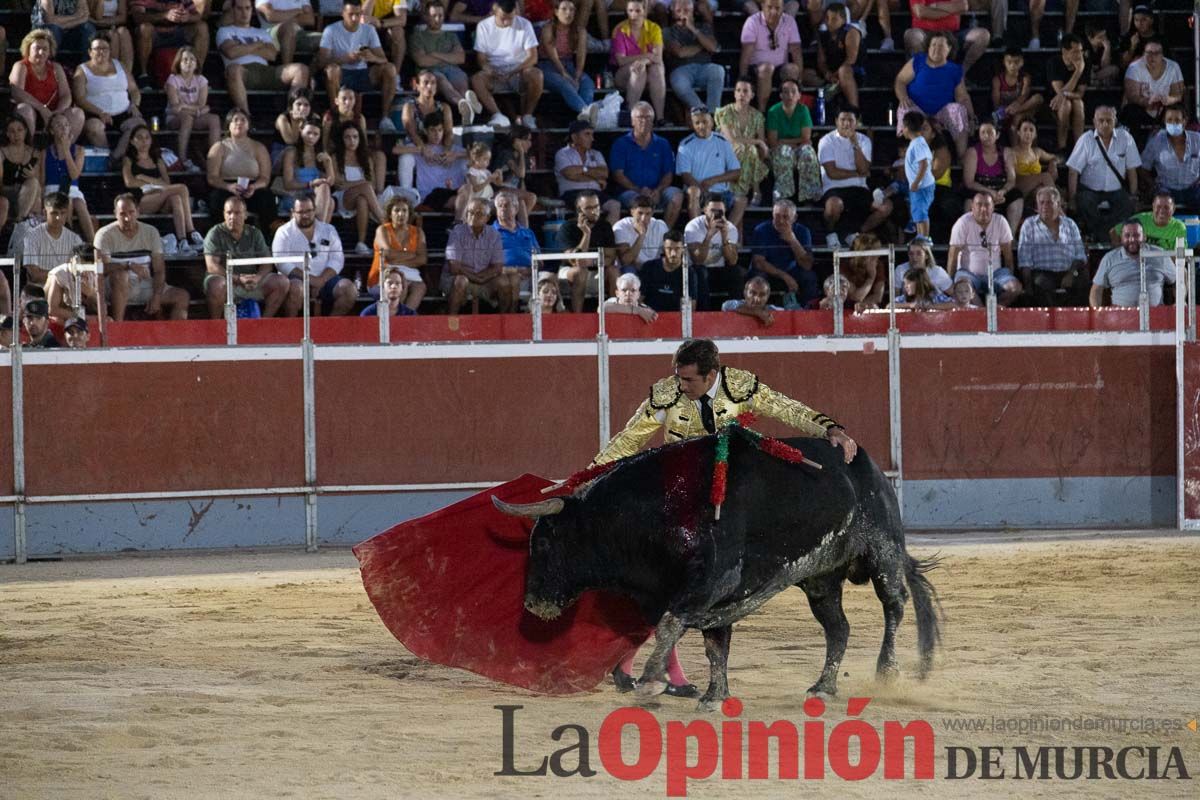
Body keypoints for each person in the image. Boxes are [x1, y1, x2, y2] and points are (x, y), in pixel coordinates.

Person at [595, 337, 858, 694]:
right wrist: (590, 476)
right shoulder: (666, 394)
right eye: (678, 377)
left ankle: (638, 667)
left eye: (688, 380)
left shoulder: (740, 387)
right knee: (668, 583)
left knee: (683, 587)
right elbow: (627, 441)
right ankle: (648, 669)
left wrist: (831, 429)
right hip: (682, 498)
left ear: (711, 375)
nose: (680, 385)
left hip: (731, 501)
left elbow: (787, 409)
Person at [94, 194, 190, 320]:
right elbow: (100, 269)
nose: (127, 218)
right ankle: (117, 328)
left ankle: (174, 338)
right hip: (114, 286)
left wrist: (156, 295)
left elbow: (159, 270)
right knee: (120, 276)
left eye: (131, 212)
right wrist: (126, 265)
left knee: (182, 297)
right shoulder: (104, 234)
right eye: (122, 214)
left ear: (138, 212)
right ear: (115, 214)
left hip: (144, 283)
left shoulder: (150, 232)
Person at [203, 195, 293, 318]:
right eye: (229, 213)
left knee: (282, 282)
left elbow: (267, 262)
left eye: (237, 213)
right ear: (224, 214)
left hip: (251, 282)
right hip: (227, 282)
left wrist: (257, 278)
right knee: (216, 284)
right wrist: (238, 279)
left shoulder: (254, 233)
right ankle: (217, 327)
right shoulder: (215, 233)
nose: (232, 217)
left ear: (245, 215)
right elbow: (212, 266)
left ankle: (263, 324)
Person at [317, 0, 398, 132]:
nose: (355, 18)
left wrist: (372, 57)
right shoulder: (330, 30)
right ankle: (336, 113)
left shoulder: (369, 30)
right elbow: (321, 62)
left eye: (358, 14)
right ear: (342, 13)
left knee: (390, 69)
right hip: (341, 73)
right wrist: (345, 58)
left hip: (363, 73)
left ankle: (385, 117)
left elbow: (383, 59)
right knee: (331, 70)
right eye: (351, 14)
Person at [218, 0, 311, 116]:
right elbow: (231, 53)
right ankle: (245, 116)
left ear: (252, 10)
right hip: (243, 71)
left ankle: (291, 115)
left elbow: (271, 55)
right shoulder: (224, 31)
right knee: (233, 70)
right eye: (239, 8)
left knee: (301, 69)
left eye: (247, 8)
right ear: (232, 10)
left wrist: (241, 47)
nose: (244, 12)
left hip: (266, 71)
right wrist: (258, 45)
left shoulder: (261, 32)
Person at [271, 194, 357, 316]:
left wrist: (321, 280)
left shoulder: (329, 230)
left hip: (326, 279)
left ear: (315, 210)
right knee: (296, 288)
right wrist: (310, 280)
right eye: (300, 212)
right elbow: (281, 262)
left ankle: (329, 329)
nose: (305, 215)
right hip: (296, 279)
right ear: (292, 212)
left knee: (349, 290)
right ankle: (292, 329)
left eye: (309, 211)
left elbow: (337, 259)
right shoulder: (283, 232)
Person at [817, 107, 890, 249]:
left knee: (886, 207)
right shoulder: (826, 141)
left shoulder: (864, 141)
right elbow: (832, 173)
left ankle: (857, 234)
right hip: (834, 187)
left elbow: (864, 169)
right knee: (833, 206)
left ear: (856, 123)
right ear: (836, 121)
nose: (846, 124)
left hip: (859, 188)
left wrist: (855, 144)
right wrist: (856, 174)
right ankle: (831, 233)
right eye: (843, 120)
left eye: (850, 120)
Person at [122, 125, 201, 255]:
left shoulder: (157, 160)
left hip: (160, 196)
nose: (144, 141)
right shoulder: (129, 160)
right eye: (140, 138)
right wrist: (156, 184)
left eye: (147, 138)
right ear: (132, 141)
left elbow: (166, 184)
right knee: (181, 188)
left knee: (175, 198)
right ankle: (192, 231)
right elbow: (129, 182)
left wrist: (145, 178)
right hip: (142, 200)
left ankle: (183, 241)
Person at [894, 31, 973, 159]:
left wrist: (971, 116)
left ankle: (962, 157)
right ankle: (909, 158)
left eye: (941, 46)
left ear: (949, 49)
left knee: (959, 111)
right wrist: (903, 97)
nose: (936, 49)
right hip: (917, 109)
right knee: (905, 109)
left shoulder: (954, 69)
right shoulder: (918, 61)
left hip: (941, 113)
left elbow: (962, 97)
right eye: (933, 45)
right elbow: (900, 81)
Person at [1066, 106, 1139, 242]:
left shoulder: (1126, 138)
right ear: (1094, 122)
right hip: (1090, 190)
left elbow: (1132, 170)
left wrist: (1134, 194)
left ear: (1115, 121)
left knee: (1128, 204)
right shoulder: (1085, 140)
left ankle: (1104, 234)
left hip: (1116, 190)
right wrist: (1072, 198)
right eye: (1101, 120)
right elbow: (1073, 171)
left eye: (1109, 120)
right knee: (1084, 202)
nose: (1105, 124)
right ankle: (1105, 235)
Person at [73, 31, 144, 163]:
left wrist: (134, 104)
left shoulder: (120, 65)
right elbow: (80, 98)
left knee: (139, 125)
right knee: (94, 128)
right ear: (90, 52)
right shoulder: (82, 70)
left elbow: (134, 89)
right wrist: (100, 113)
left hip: (123, 111)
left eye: (105, 48)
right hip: (95, 113)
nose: (101, 52)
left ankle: (116, 158)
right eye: (97, 49)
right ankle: (106, 159)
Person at [609, 103, 684, 228]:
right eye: (640, 117)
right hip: (630, 191)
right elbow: (618, 175)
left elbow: (668, 174)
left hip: (658, 190)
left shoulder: (663, 143)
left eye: (648, 117)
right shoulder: (621, 144)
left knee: (677, 196)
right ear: (632, 121)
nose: (644, 121)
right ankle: (640, 238)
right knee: (640, 202)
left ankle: (663, 236)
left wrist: (658, 190)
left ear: (653, 121)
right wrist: (639, 190)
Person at [471, 0, 543, 131]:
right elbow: (481, 59)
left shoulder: (524, 24)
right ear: (494, 12)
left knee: (537, 74)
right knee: (477, 79)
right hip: (494, 71)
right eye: (503, 18)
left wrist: (514, 71)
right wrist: (490, 70)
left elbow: (533, 57)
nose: (507, 22)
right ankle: (497, 115)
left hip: (518, 70)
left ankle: (528, 115)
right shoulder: (483, 26)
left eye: (511, 18)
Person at [1017, 186, 1089, 307]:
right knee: (1041, 284)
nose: (1045, 206)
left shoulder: (1070, 224)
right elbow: (1025, 261)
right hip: (1042, 273)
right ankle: (1050, 323)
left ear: (1058, 204)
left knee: (1084, 282)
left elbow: (1080, 254)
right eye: (1041, 202)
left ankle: (1075, 322)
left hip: (1069, 270)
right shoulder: (1029, 225)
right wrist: (1028, 286)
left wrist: (1071, 273)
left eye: (1049, 202)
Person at [8, 29, 85, 140]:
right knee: (24, 109)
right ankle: (30, 149)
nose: (41, 52)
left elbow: (66, 95)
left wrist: (57, 113)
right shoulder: (21, 66)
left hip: (53, 112)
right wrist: (42, 110)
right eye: (37, 48)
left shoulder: (56, 67)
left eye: (45, 49)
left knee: (77, 113)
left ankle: (64, 150)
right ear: (28, 49)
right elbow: (17, 93)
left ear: (50, 52)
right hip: (31, 111)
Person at [947, 192, 1021, 306]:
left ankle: (994, 311)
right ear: (972, 206)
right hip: (968, 274)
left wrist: (1009, 276)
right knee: (963, 289)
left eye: (987, 205)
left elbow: (1008, 256)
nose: (983, 209)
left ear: (993, 207)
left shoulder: (1001, 221)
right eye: (979, 204)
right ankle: (982, 314)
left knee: (1014, 288)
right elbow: (953, 256)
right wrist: (951, 282)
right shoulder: (962, 223)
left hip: (996, 274)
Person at [207, 108, 276, 227]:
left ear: (248, 125)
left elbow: (265, 178)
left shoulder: (258, 147)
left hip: (252, 187)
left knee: (267, 198)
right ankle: (221, 238)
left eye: (243, 120)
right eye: (235, 120)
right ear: (228, 125)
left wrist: (254, 187)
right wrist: (228, 186)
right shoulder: (219, 147)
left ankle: (265, 239)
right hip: (227, 187)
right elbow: (212, 178)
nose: (239, 123)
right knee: (216, 199)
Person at [676, 105, 742, 226]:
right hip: (699, 194)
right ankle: (695, 232)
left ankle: (729, 233)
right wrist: (702, 189)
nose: (701, 126)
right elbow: (685, 175)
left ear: (711, 122)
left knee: (741, 200)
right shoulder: (685, 145)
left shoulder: (722, 141)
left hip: (721, 193)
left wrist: (714, 180)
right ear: (692, 125)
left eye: (705, 122)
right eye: (697, 123)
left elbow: (736, 172)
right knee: (693, 191)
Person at [747, 198, 817, 307]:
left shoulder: (803, 231)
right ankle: (759, 310)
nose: (780, 221)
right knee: (758, 276)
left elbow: (807, 265)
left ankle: (809, 312)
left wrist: (793, 240)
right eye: (777, 216)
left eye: (786, 217)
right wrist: (784, 276)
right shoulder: (761, 230)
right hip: (770, 271)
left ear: (794, 218)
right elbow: (759, 262)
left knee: (809, 277)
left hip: (792, 270)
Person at [444, 197, 509, 314]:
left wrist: (482, 277)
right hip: (458, 277)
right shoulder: (457, 232)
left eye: (479, 214)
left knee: (504, 282)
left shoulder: (494, 235)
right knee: (461, 281)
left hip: (484, 278)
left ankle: (504, 323)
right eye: (470, 213)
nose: (473, 217)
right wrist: (475, 278)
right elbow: (454, 267)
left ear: (488, 218)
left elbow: (497, 267)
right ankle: (451, 322)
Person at [558, 190, 620, 312]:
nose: (594, 211)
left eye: (596, 207)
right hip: (570, 270)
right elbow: (574, 260)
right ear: (579, 210)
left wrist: (591, 262)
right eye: (588, 208)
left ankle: (614, 314)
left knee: (613, 271)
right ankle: (578, 317)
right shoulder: (568, 227)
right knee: (580, 271)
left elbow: (611, 257)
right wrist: (586, 233)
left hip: (597, 268)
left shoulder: (605, 226)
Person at [331, 122, 386, 256]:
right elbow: (338, 183)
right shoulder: (335, 157)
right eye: (347, 137)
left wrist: (353, 184)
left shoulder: (366, 158)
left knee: (362, 199)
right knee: (365, 187)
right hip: (343, 197)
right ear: (342, 139)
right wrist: (361, 183)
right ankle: (387, 224)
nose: (352, 141)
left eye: (355, 137)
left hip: (363, 197)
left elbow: (372, 184)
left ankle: (360, 243)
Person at [41, 110, 96, 244]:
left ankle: (94, 244)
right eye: (59, 125)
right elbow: (42, 180)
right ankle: (66, 240)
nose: (63, 128)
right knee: (67, 202)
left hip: (72, 189)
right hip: (51, 191)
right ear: (52, 131)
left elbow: (74, 174)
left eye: (66, 125)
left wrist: (66, 150)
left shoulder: (78, 150)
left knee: (79, 203)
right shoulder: (44, 153)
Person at [738, 0, 802, 113]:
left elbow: (796, 51)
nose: (773, 11)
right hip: (757, 69)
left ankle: (790, 111)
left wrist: (800, 77)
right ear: (762, 6)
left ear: (783, 8)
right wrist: (742, 78)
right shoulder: (752, 22)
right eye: (769, 7)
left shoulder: (789, 21)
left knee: (792, 69)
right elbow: (746, 53)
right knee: (767, 68)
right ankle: (761, 112)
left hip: (780, 67)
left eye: (777, 8)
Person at [408, 1, 473, 113]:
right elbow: (422, 61)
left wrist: (434, 54)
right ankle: (464, 105)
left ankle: (466, 112)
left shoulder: (451, 36)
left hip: (452, 69)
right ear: (426, 17)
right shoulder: (417, 37)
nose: (438, 19)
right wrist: (449, 57)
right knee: (440, 79)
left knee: (460, 78)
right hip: (429, 71)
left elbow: (460, 58)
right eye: (434, 16)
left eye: (440, 16)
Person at [1090, 220, 1172, 308]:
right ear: (1121, 238)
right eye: (1127, 235)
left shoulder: (1160, 254)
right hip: (1120, 316)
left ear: (1144, 237)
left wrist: (1180, 303)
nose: (1132, 239)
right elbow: (1096, 290)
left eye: (1136, 235)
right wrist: (1097, 314)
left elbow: (1179, 278)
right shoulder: (1109, 258)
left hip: (1156, 314)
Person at [539, 0, 598, 122]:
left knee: (587, 83)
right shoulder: (548, 28)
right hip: (547, 64)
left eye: (571, 10)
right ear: (556, 12)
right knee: (564, 84)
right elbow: (552, 55)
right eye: (564, 9)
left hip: (568, 64)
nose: (568, 13)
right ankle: (586, 112)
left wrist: (577, 76)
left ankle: (584, 118)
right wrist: (565, 74)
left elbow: (581, 54)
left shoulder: (579, 30)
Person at [1120, 36, 1185, 147]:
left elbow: (1178, 94)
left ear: (1162, 54)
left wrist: (1169, 100)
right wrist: (1148, 101)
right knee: (1131, 111)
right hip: (1141, 108)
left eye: (1157, 53)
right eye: (1149, 53)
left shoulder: (1173, 67)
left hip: (1164, 108)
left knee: (1176, 112)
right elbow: (1132, 96)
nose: (1152, 57)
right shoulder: (1134, 68)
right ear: (1143, 54)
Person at [714, 76, 768, 208]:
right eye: (738, 90)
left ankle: (742, 192)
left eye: (745, 91)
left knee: (750, 150)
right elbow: (732, 140)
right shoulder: (725, 112)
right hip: (725, 151)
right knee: (745, 148)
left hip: (750, 155)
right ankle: (754, 190)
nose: (741, 94)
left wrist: (762, 147)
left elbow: (761, 140)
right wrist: (758, 142)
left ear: (752, 95)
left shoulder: (757, 116)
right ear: (734, 93)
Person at [962, 119, 1023, 235]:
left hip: (1000, 191)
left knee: (1017, 197)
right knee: (970, 200)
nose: (986, 136)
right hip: (980, 190)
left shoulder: (1006, 152)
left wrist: (1003, 191)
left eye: (990, 132)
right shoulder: (972, 152)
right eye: (983, 133)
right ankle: (972, 236)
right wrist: (990, 192)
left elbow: (1011, 180)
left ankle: (1010, 237)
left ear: (997, 135)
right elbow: (969, 182)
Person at [131, 0, 211, 89]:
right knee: (144, 28)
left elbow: (197, 16)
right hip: (154, 34)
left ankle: (197, 74)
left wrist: (188, 17)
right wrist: (164, 15)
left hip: (178, 30)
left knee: (202, 27)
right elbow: (137, 17)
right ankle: (144, 75)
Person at [766, 78, 821, 206]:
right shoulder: (773, 111)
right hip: (781, 150)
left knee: (807, 152)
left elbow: (806, 139)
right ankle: (782, 196)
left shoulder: (803, 110)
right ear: (780, 95)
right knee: (784, 152)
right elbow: (773, 142)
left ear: (799, 95)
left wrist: (783, 141)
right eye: (785, 92)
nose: (789, 95)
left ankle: (810, 197)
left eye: (793, 92)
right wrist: (794, 143)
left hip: (799, 149)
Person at [164, 46, 220, 171]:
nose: (189, 62)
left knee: (214, 119)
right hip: (174, 118)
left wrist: (185, 105)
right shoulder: (173, 80)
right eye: (185, 60)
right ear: (179, 62)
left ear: (196, 63)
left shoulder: (201, 81)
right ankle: (183, 159)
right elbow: (175, 108)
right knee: (187, 118)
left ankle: (215, 159)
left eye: (192, 59)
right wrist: (199, 110)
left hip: (194, 115)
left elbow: (201, 104)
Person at [555, 119, 621, 222]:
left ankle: (607, 236)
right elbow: (569, 174)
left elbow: (604, 173)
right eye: (587, 134)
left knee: (615, 206)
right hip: (572, 193)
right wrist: (595, 178)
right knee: (586, 207)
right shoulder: (562, 153)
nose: (592, 138)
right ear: (574, 137)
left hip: (595, 192)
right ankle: (587, 236)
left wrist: (582, 171)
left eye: (592, 134)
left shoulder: (596, 154)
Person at [369, 194, 427, 311]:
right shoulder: (383, 230)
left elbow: (422, 259)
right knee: (400, 283)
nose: (401, 214)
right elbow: (388, 254)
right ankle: (394, 319)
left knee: (420, 287)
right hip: (381, 277)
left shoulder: (418, 232)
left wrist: (397, 260)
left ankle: (406, 319)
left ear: (409, 213)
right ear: (390, 214)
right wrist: (412, 255)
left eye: (404, 210)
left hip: (409, 275)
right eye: (397, 210)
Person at [663, 0, 723, 114]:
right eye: (679, 11)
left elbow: (714, 48)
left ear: (693, 11)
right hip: (681, 70)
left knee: (718, 70)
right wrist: (703, 46)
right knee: (678, 81)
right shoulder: (667, 31)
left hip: (704, 68)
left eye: (686, 10)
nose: (683, 14)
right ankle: (701, 111)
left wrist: (693, 29)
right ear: (673, 12)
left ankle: (714, 113)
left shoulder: (704, 27)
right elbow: (680, 53)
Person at [904, 0, 989, 78]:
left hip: (952, 33)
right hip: (925, 32)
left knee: (983, 35)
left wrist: (934, 7)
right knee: (912, 35)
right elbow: (920, 12)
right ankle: (924, 76)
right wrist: (951, 9)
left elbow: (963, 6)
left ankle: (959, 76)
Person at [684, 192, 740, 309]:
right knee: (700, 271)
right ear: (704, 210)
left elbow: (732, 261)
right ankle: (705, 313)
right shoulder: (693, 227)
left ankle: (735, 311)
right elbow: (698, 260)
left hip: (718, 270)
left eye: (720, 212)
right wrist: (709, 235)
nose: (716, 215)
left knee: (736, 271)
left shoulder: (731, 228)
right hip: (696, 270)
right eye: (713, 211)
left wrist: (725, 236)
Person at [16, 193, 83, 287]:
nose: (58, 217)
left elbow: (79, 272)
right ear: (44, 213)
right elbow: (35, 275)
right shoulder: (32, 237)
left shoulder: (75, 239)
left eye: (62, 213)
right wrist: (63, 275)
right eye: (54, 213)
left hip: (66, 291)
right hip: (39, 292)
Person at [1140, 106, 1200, 209]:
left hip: (1193, 188)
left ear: (1184, 122)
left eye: (1177, 120)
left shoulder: (1197, 139)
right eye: (1169, 120)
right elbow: (1143, 168)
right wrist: (1154, 186)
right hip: (1166, 189)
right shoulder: (1156, 141)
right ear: (1164, 121)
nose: (1173, 123)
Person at [280, 115, 335, 221]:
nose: (311, 137)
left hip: (314, 197)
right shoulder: (292, 153)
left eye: (315, 134)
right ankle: (318, 233)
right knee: (328, 202)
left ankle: (315, 232)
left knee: (327, 193)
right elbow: (288, 184)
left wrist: (328, 163)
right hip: (295, 195)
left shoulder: (321, 154)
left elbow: (330, 182)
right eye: (308, 133)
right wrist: (310, 184)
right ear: (301, 131)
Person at [492, 189, 540, 308]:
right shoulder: (490, 233)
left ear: (516, 209)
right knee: (513, 280)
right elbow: (486, 261)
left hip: (530, 274)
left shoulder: (528, 232)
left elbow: (539, 259)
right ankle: (511, 317)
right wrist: (515, 270)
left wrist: (530, 270)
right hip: (504, 274)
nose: (503, 208)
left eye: (507, 205)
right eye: (500, 206)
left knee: (548, 281)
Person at [812, 3, 863, 110]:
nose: (829, 22)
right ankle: (833, 87)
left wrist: (835, 74)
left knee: (844, 70)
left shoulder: (851, 32)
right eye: (827, 18)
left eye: (834, 19)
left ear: (843, 20)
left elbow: (851, 59)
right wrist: (827, 74)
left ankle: (855, 112)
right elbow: (821, 61)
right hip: (832, 73)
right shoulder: (822, 35)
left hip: (853, 72)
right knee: (806, 74)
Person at [1047, 34, 1090, 152]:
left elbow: (1080, 93)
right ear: (1065, 52)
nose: (1079, 55)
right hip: (1053, 103)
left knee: (1078, 103)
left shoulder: (1084, 63)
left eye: (1081, 51)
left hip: (1072, 99)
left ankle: (1079, 147)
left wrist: (1065, 94)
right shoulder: (1054, 63)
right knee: (1066, 104)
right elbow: (1059, 92)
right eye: (1075, 52)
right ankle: (1062, 147)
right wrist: (1078, 72)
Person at [639, 229, 697, 312]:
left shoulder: (689, 272)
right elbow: (639, 299)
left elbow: (690, 307)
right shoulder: (649, 267)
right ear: (663, 249)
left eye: (677, 249)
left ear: (683, 249)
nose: (673, 253)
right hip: (649, 317)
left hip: (675, 319)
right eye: (669, 249)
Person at [45, 243, 103, 323]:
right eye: (80, 265)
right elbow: (52, 310)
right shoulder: (59, 274)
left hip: (78, 314)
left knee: (106, 320)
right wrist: (81, 317)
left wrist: (91, 294)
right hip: (56, 316)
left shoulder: (91, 274)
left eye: (86, 267)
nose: (82, 271)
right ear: (71, 260)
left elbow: (102, 310)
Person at [1111, 191, 1186, 251]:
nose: (1162, 211)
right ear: (1153, 206)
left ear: (1173, 209)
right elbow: (1114, 232)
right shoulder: (1140, 219)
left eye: (1166, 207)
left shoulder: (1179, 227)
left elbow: (1180, 255)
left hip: (1165, 266)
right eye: (1158, 207)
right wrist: (1123, 251)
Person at [902, 110, 935, 239]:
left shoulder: (918, 144)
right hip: (918, 186)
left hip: (922, 187)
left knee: (921, 212)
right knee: (917, 214)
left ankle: (924, 238)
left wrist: (916, 182)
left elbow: (924, 164)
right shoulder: (916, 143)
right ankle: (920, 236)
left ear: (906, 128)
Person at [991, 45, 1041, 131]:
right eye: (1009, 62)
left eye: (1016, 62)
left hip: (1020, 109)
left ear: (1022, 62)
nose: (1012, 65)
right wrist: (1005, 111)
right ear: (1004, 62)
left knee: (1038, 98)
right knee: (1015, 121)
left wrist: (1016, 107)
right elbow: (996, 103)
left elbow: (1024, 95)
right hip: (1004, 112)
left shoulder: (1025, 77)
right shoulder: (997, 80)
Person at [256, 0, 322, 65]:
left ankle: (310, 73)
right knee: (289, 28)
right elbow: (270, 16)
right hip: (270, 34)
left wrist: (280, 15)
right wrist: (298, 11)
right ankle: (287, 70)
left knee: (325, 39)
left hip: (299, 33)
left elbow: (310, 20)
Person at [613, 195, 669, 271]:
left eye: (648, 214)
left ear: (652, 213)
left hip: (653, 268)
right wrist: (641, 236)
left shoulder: (660, 226)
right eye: (640, 213)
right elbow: (625, 261)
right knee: (629, 269)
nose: (643, 218)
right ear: (632, 212)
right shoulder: (620, 227)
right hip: (632, 268)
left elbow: (667, 254)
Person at [1011, 116, 1058, 200]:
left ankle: (1052, 209)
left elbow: (1055, 157)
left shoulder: (1037, 152)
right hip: (1019, 187)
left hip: (1035, 189)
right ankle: (1059, 207)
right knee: (1046, 176)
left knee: (1041, 191)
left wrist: (1053, 164)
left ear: (1035, 135)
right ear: (1018, 132)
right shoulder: (1012, 152)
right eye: (1025, 129)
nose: (1028, 133)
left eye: (1031, 130)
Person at [33, 0, 99, 55]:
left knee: (89, 28)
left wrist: (63, 24)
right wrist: (76, 16)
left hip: (71, 31)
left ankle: (86, 65)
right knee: (54, 29)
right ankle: (50, 64)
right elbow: (50, 20)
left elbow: (85, 16)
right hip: (45, 32)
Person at [91, 0, 135, 73]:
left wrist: (107, 22)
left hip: (113, 24)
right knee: (113, 36)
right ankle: (113, 73)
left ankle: (127, 74)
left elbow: (122, 17)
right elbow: (94, 18)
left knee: (124, 32)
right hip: (97, 27)